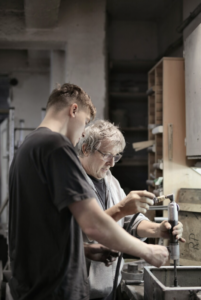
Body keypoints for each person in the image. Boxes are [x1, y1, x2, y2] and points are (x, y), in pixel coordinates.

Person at [9, 84, 169, 300]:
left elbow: (42, 230)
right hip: (54, 288)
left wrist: (83, 250)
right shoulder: (56, 146)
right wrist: (148, 251)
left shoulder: (28, 148)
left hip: (32, 286)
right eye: (85, 122)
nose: (83, 131)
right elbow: (93, 225)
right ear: (73, 110)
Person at [77, 120, 185, 300]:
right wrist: (121, 208)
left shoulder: (109, 180)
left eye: (116, 156)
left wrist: (158, 230)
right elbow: (85, 229)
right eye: (106, 155)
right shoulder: (72, 182)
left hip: (109, 286)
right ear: (87, 149)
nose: (112, 163)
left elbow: (131, 221)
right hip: (79, 288)